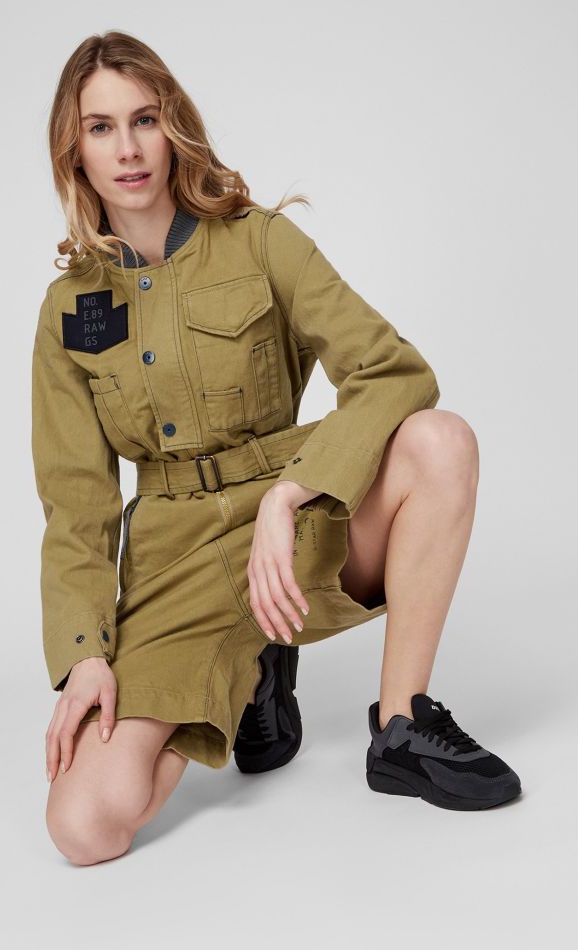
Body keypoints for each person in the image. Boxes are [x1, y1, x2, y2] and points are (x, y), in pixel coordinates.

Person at [32, 30, 521, 865]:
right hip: (174, 566)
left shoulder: (258, 240)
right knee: (85, 828)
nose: (129, 149)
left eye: (143, 119)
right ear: (74, 150)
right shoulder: (68, 312)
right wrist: (84, 657)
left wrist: (293, 494)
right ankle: (248, 675)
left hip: (293, 524)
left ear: (172, 126)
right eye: (101, 128)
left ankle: (401, 725)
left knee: (440, 442)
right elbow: (76, 506)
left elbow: (394, 372)